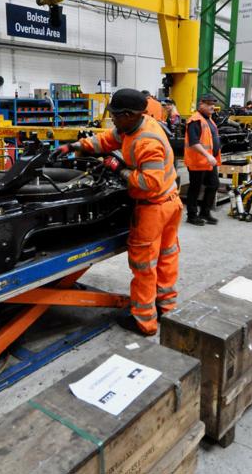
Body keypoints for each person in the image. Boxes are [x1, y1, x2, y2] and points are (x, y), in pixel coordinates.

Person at [54, 89, 181, 336]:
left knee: (144, 264)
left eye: (115, 116)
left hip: (154, 207)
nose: (113, 120)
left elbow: (149, 183)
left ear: (129, 115)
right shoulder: (132, 127)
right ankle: (166, 307)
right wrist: (73, 146)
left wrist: (119, 169)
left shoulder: (148, 141)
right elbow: (105, 140)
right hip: (170, 203)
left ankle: (145, 321)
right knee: (166, 258)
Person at [184, 93, 222, 226]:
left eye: (213, 104)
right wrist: (207, 155)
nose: (212, 106)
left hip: (210, 161)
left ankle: (205, 212)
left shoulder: (209, 119)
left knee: (214, 184)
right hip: (198, 161)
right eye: (209, 104)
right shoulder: (195, 120)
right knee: (195, 188)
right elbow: (194, 143)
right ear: (201, 104)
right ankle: (192, 215)